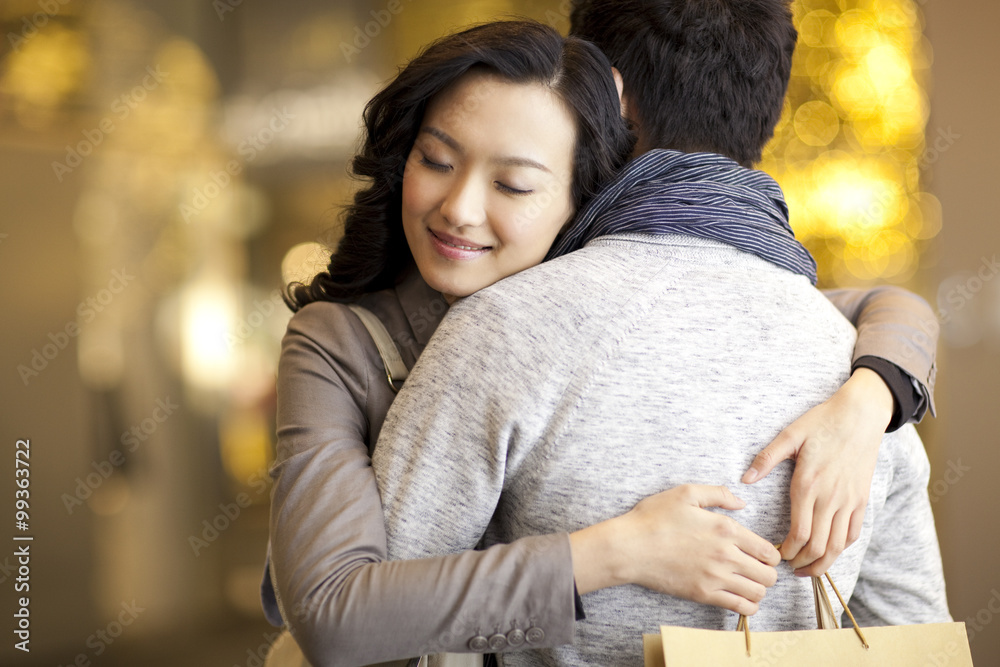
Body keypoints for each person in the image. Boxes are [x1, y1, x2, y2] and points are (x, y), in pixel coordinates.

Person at [267, 15, 939, 667]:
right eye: (436, 160)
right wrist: (620, 549)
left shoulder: (855, 368)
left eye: (514, 184)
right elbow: (346, 619)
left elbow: (885, 306)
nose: (460, 209)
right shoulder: (351, 337)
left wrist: (872, 395)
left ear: (603, 153)